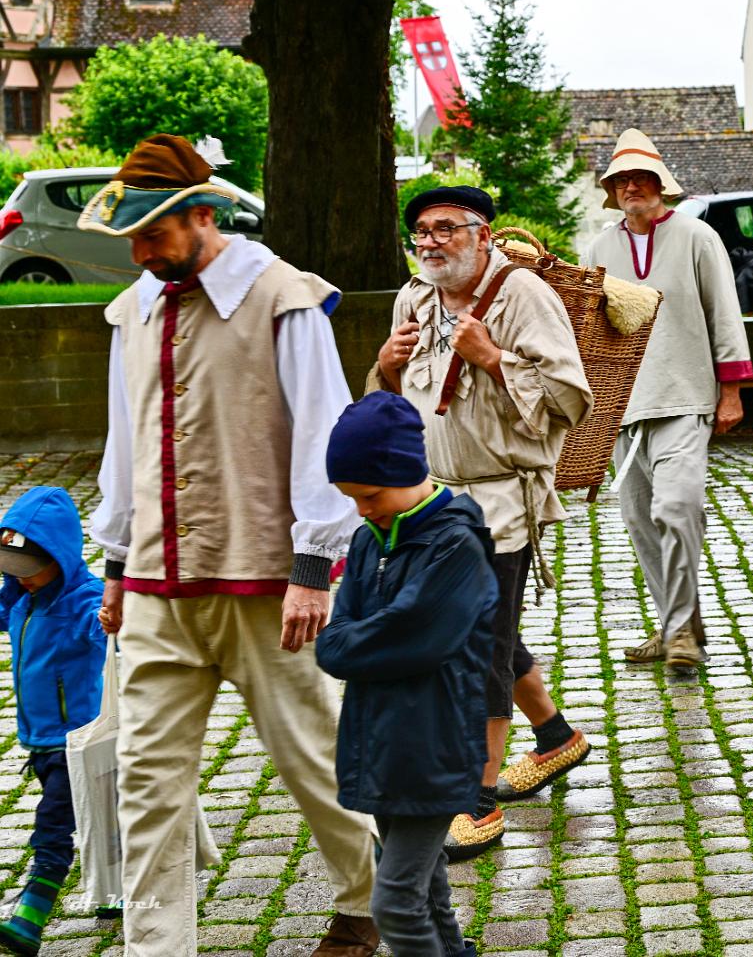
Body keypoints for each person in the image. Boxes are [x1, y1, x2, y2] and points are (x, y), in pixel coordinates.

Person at [80, 135, 380, 957]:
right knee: (146, 783)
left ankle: (367, 899)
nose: (141, 254)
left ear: (201, 216)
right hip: (154, 588)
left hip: (267, 586)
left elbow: (327, 436)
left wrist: (316, 569)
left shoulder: (283, 298)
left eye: (154, 236)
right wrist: (114, 563)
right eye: (133, 240)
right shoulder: (132, 309)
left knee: (312, 762)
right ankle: (158, 947)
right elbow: (124, 446)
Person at [373, 185, 594, 858]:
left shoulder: (522, 295)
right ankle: (556, 736)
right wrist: (385, 367)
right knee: (470, 630)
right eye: (421, 231)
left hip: (499, 502)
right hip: (428, 500)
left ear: (483, 234)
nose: (432, 241)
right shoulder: (413, 298)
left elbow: (570, 399)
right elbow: (394, 398)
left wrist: (492, 358)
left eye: (447, 228)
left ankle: (478, 799)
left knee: (477, 646)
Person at [316, 393, 497, 957]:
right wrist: (351, 639)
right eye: (352, 500)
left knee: (394, 901)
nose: (362, 510)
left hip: (434, 748)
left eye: (369, 495)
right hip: (383, 745)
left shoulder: (457, 546)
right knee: (428, 889)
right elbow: (339, 637)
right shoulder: (370, 541)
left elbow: (411, 635)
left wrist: (349, 640)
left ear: (404, 471)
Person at [581, 129, 753, 668]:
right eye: (623, 179)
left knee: (678, 508)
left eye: (642, 177)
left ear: (661, 185)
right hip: (623, 408)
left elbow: (723, 313)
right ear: (613, 189)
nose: (633, 186)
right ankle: (679, 626)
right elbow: (590, 330)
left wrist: (731, 391)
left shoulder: (697, 238)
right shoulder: (599, 248)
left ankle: (679, 629)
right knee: (638, 520)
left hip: (684, 396)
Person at [0, 488, 107, 956]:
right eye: (12, 570)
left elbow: (104, 627)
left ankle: (33, 911)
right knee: (106, 819)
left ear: (61, 557)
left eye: (29, 570)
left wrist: (110, 621)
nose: (21, 580)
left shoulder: (84, 601)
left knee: (53, 824)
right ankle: (119, 893)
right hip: (42, 742)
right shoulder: (23, 599)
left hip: (77, 741)